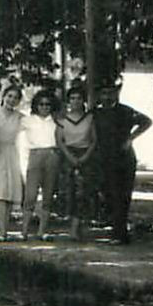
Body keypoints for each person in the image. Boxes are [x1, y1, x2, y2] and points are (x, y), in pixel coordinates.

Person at [92, 78, 152, 243]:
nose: (107, 96)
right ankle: (115, 228)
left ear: (116, 93)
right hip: (103, 159)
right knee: (108, 195)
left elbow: (146, 122)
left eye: (111, 92)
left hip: (123, 159)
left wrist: (130, 139)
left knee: (122, 196)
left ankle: (120, 234)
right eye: (104, 93)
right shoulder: (95, 113)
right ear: (99, 95)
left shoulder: (125, 111)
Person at [55, 82, 100, 240]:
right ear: (68, 101)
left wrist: (85, 156)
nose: (75, 101)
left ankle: (78, 227)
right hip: (68, 156)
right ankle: (72, 227)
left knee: (84, 192)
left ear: (83, 100)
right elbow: (60, 141)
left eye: (78, 98)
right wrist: (70, 156)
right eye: (72, 98)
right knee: (69, 192)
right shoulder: (62, 120)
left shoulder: (89, 118)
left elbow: (94, 140)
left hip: (86, 155)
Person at [0, 83, 27, 239]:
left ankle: (6, 230)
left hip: (13, 153)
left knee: (10, 192)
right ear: (3, 97)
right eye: (9, 96)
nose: (12, 100)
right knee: (0, 192)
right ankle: (2, 231)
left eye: (16, 98)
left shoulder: (21, 118)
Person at [21, 89, 61, 239]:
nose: (44, 107)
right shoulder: (27, 120)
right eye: (41, 104)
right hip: (35, 155)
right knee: (30, 195)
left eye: (47, 104)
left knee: (48, 195)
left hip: (52, 155)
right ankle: (24, 230)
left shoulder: (57, 121)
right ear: (36, 105)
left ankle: (42, 231)